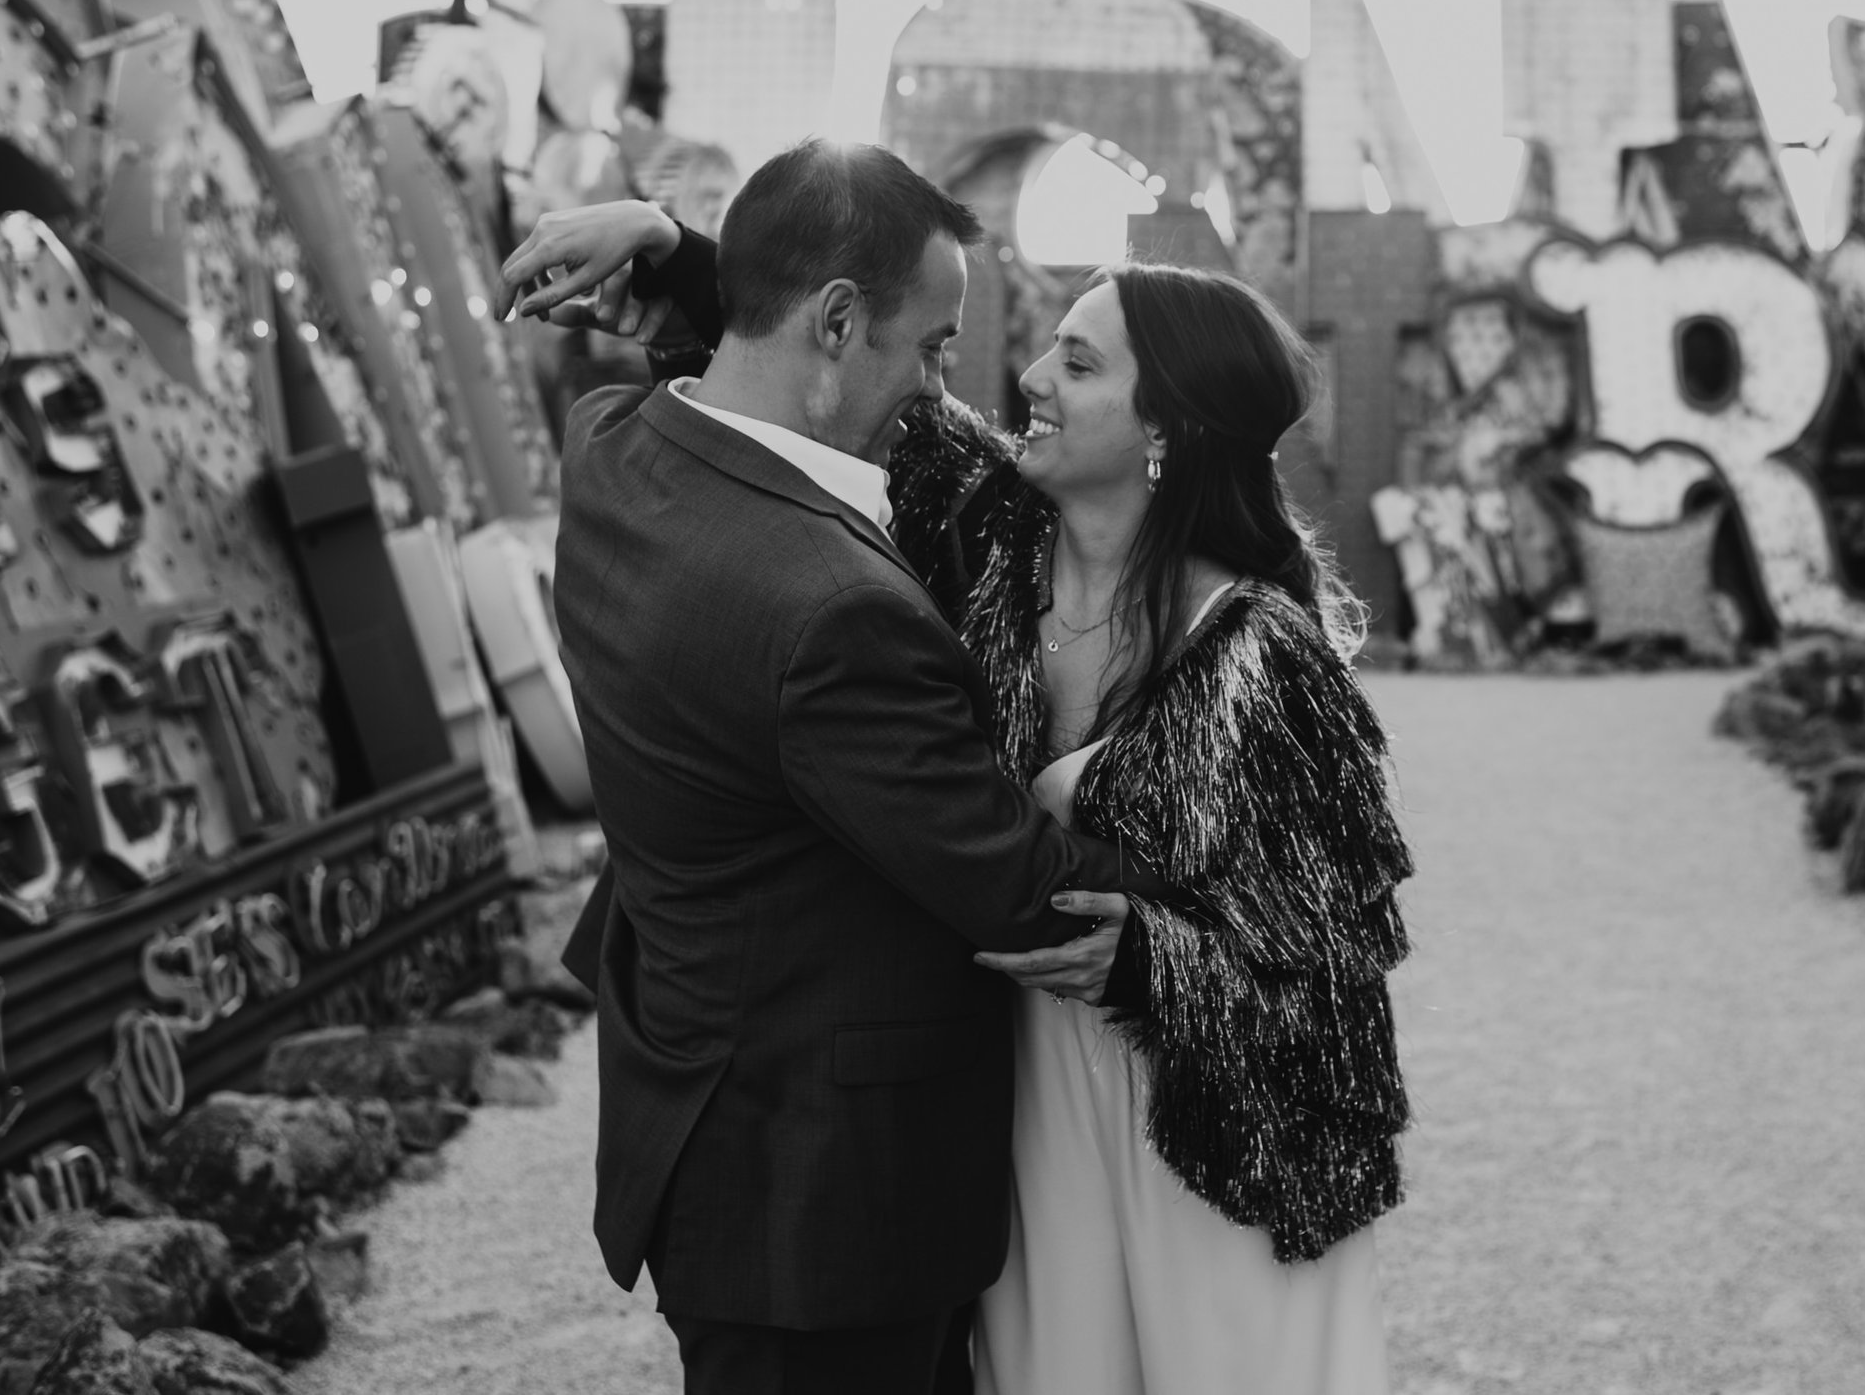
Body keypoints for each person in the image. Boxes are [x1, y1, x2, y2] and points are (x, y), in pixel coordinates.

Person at [510, 169, 1414, 1395]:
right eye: (1044, 350)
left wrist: (1162, 959)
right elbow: (793, 386)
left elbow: (1335, 984)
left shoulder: (1265, 666)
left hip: (1182, 1137)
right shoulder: (997, 534)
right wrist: (678, 252)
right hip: (1017, 1127)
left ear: (1168, 430)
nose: (1024, 379)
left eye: (1079, 365)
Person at [527, 140, 1158, 1395]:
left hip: (705, 1104)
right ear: (834, 321)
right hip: (825, 1196)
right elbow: (1010, 879)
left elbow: (752, 369)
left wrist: (679, 250)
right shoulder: (830, 611)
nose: (942, 387)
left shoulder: (613, 451)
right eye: (932, 346)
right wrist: (1231, 904)